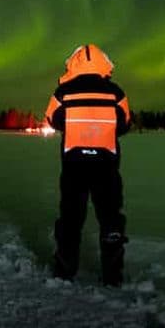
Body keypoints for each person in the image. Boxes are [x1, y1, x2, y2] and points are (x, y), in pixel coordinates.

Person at [44, 44, 131, 286]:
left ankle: (65, 272)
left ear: (74, 63)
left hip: (74, 167)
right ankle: (113, 276)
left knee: (70, 220)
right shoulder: (116, 92)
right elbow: (124, 124)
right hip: (107, 167)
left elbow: (52, 120)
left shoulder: (63, 92)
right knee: (111, 219)